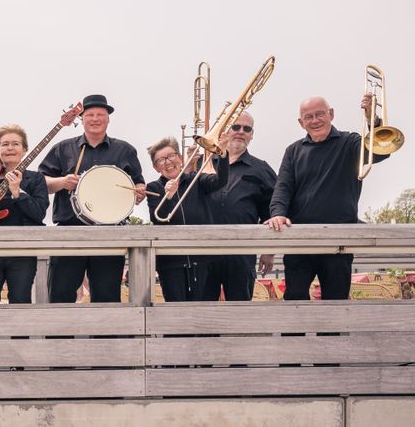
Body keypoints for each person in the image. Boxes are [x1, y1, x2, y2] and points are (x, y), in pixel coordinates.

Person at [266, 94, 386, 300]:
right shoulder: (293, 151)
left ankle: (333, 335)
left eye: (320, 114)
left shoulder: (350, 142)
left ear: (331, 114)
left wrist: (371, 120)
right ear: (301, 122)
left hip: (338, 242)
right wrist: (277, 213)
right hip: (299, 240)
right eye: (308, 116)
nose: (315, 121)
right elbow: (283, 187)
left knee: (336, 303)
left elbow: (380, 151)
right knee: (294, 299)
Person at [39, 95, 147, 303]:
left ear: (108, 119)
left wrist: (139, 192)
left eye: (100, 115)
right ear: (81, 118)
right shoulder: (63, 148)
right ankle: (60, 337)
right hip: (69, 231)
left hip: (110, 233)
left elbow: (138, 185)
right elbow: (41, 183)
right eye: (90, 115)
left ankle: (105, 337)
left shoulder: (124, 150)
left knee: (107, 297)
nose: (95, 119)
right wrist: (63, 182)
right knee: (60, 295)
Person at [0, 125, 49, 304]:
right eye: (4, 144)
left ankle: (19, 334)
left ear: (25, 149)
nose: (10, 148)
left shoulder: (36, 179)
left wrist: (17, 193)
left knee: (20, 301)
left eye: (15, 144)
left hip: (22, 252)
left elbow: (39, 213)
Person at [205, 112, 277, 301]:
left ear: (252, 134)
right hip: (204, 251)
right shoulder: (203, 164)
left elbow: (272, 212)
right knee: (202, 310)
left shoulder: (261, 169)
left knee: (240, 310)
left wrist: (268, 251)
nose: (240, 132)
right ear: (225, 130)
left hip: (241, 252)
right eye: (235, 127)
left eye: (247, 129)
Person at [145, 136, 228, 302]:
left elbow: (221, 181)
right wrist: (167, 197)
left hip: (203, 260)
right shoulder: (153, 188)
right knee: (176, 312)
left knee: (203, 311)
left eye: (171, 156)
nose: (168, 162)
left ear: (180, 158)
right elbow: (158, 220)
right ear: (155, 168)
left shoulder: (196, 180)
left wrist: (223, 154)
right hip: (171, 264)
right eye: (161, 160)